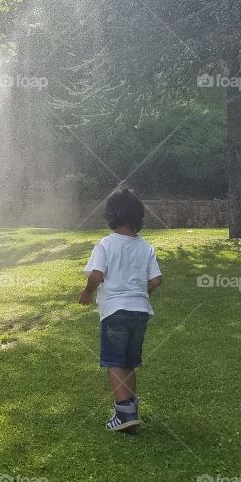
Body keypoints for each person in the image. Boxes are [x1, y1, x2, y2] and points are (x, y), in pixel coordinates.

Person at [78, 186, 162, 433]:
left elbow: (96, 274)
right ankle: (131, 410)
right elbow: (156, 280)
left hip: (115, 311)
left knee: (114, 362)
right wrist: (141, 290)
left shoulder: (106, 244)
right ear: (138, 216)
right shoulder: (145, 246)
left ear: (111, 215)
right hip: (140, 312)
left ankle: (123, 413)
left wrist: (88, 292)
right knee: (129, 362)